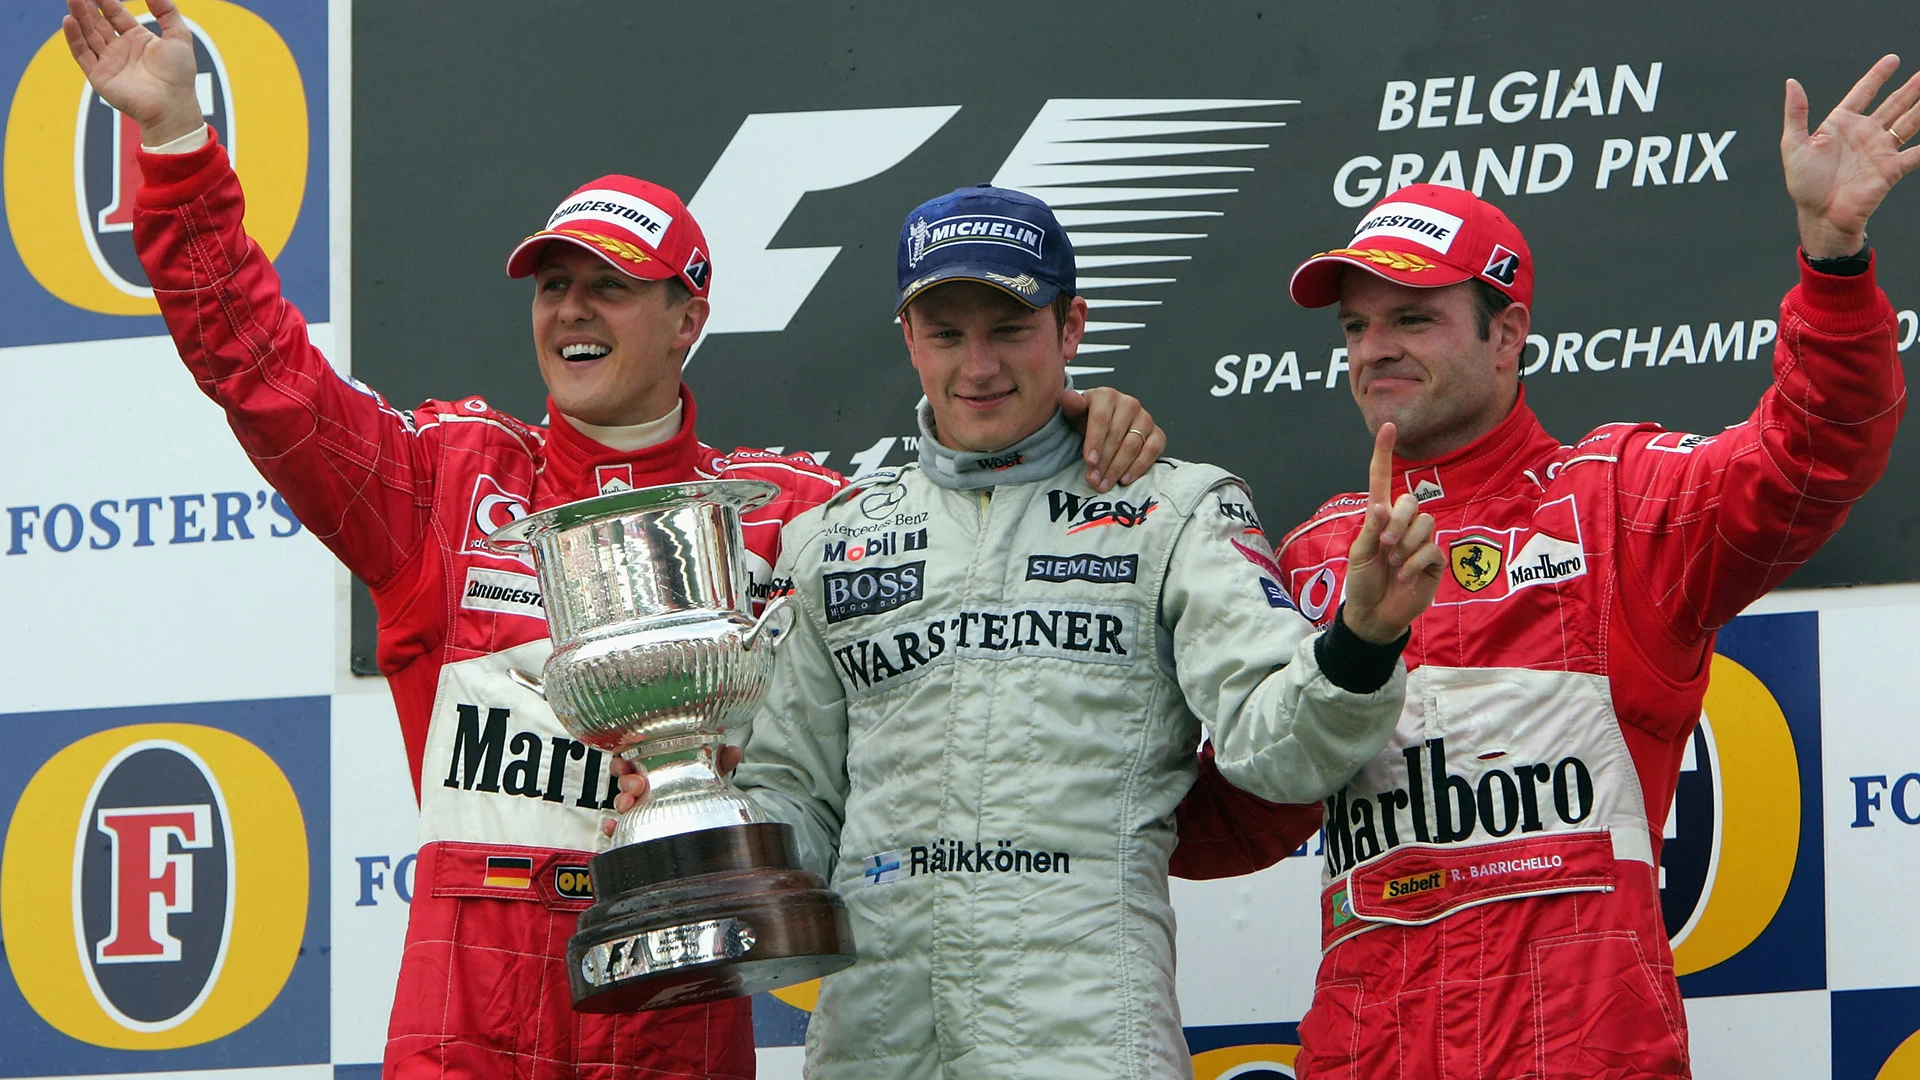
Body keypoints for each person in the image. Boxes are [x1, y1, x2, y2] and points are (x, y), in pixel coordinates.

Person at [60, 3, 1177, 1077]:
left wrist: (1063, 427)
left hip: (680, 999)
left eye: (611, 287)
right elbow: (259, 370)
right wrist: (178, 141)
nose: (572, 311)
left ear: (690, 317)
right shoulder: (446, 483)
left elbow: (964, 545)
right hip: (469, 1011)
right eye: (554, 285)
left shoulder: (786, 511)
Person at [613, 183, 1446, 1079]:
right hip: (876, 1046)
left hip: (1088, 1044)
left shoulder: (1174, 510)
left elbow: (1279, 751)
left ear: (1070, 326)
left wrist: (1362, 638)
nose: (978, 366)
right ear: (909, 339)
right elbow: (797, 802)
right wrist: (699, 820)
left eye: (1010, 329)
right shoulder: (832, 539)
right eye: (946, 335)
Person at [1248, 57, 1911, 1079]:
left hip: (1580, 1055)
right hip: (1368, 1058)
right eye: (1356, 326)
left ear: (1507, 334)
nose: (1374, 347)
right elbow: (1232, 816)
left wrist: (1832, 259)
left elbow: (1812, 455)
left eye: (1412, 318)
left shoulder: (1615, 502)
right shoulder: (1314, 556)